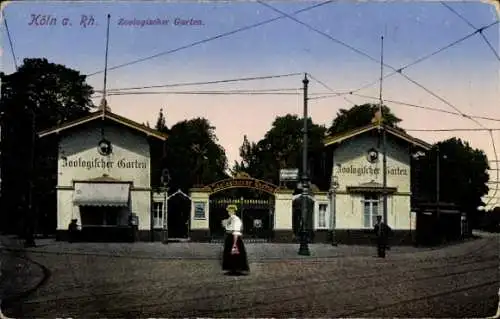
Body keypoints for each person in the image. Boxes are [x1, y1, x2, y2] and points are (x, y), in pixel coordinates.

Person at [221, 204, 249, 275]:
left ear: (233, 211)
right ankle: (232, 269)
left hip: (234, 238)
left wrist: (234, 243)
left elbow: (236, 231)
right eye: (228, 211)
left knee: (234, 254)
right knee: (231, 254)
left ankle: (236, 270)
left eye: (230, 211)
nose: (228, 212)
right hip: (230, 238)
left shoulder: (236, 219)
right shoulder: (231, 218)